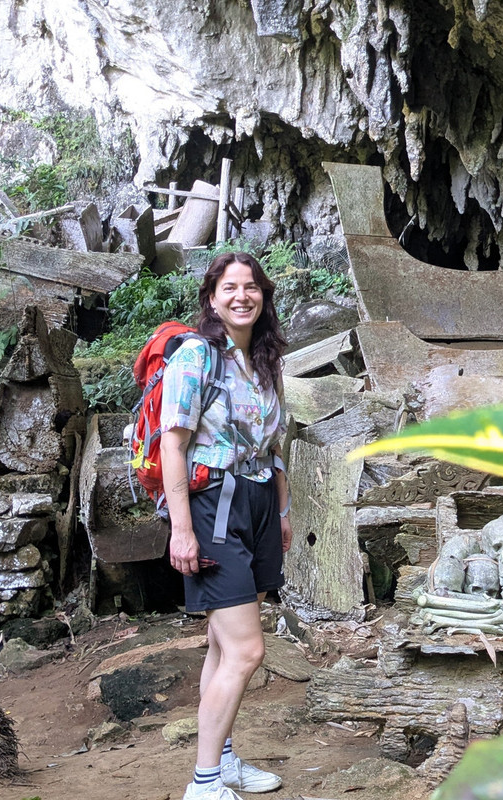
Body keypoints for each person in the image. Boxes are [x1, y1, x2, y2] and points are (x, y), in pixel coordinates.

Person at [159, 251, 292, 800]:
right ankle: (204, 784)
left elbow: (276, 445)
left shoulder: (263, 359)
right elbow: (174, 443)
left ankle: (225, 760)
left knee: (222, 644)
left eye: (252, 286)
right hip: (213, 503)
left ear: (263, 296)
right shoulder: (196, 357)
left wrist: (282, 514)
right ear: (211, 298)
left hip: (258, 503)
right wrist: (181, 529)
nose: (243, 295)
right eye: (230, 287)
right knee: (246, 650)